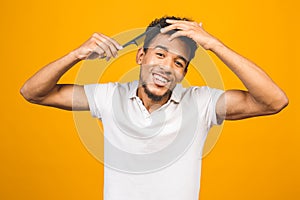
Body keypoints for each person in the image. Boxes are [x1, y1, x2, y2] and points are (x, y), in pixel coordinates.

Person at [20, 16, 288, 200]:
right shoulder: (109, 96)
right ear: (141, 56)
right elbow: (33, 92)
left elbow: (274, 101)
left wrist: (213, 44)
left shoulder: (201, 102)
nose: (166, 67)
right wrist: (76, 54)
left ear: (184, 72)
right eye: (159, 54)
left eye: (178, 62)